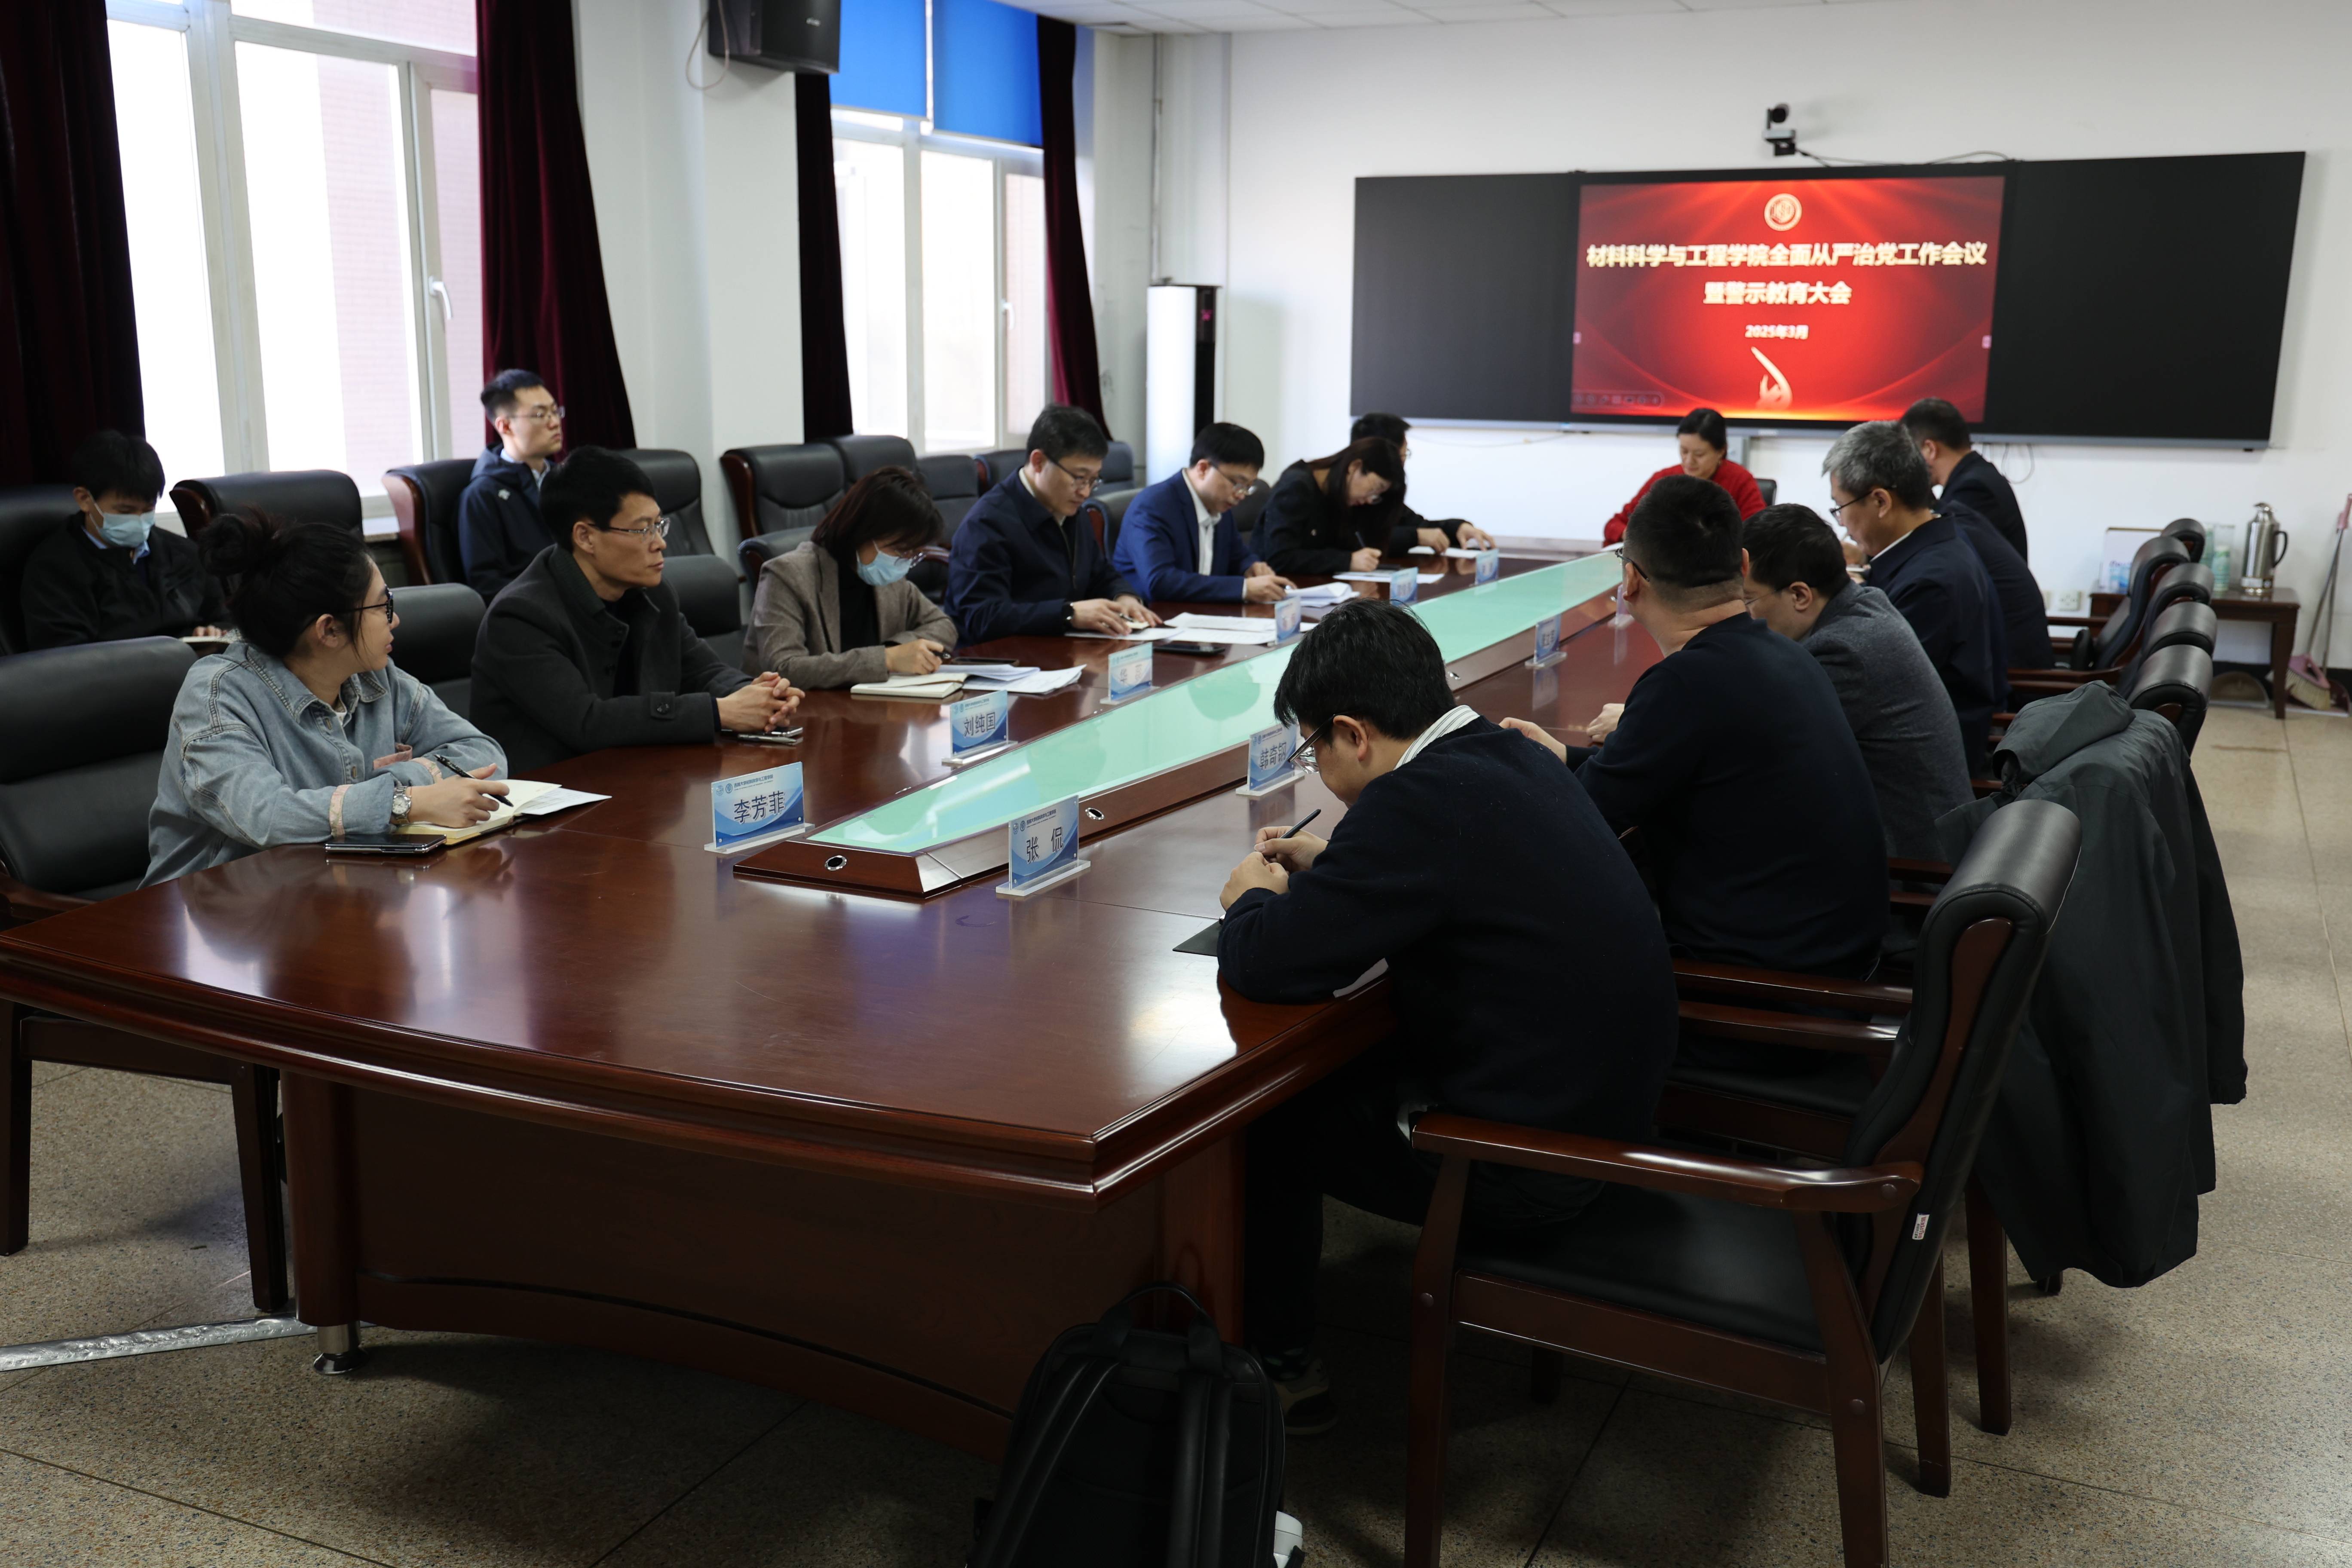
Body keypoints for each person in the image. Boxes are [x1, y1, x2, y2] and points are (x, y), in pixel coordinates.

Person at [1216, 599, 1676, 1434]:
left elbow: (1270, 962)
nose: (1318, 766)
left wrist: (1250, 897)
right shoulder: (1505, 753)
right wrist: (1347, 865)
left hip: (1532, 1164)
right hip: (1610, 1115)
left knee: (1264, 1119)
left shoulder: (1413, 805)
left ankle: (1281, 1375)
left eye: (1315, 748)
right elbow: (1452, 870)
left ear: (1353, 734)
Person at [1505, 476, 1886, 979]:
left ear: (1631, 582)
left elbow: (1576, 826)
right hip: (1834, 957)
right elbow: (1665, 768)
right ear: (1744, 566)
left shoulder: (1685, 683)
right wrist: (1564, 757)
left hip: (1761, 990)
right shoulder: (1787, 655)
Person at [144, 511, 508, 886]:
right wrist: (405, 803)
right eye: (383, 606)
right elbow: (266, 817)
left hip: (332, 891)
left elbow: (484, 753)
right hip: (211, 906)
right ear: (330, 630)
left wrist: (401, 783)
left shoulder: (376, 676)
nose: (395, 620)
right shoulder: (217, 695)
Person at [470, 446, 801, 773]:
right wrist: (719, 712)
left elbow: (704, 671)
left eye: (659, 525)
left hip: (637, 778)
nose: (660, 543)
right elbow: (588, 722)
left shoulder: (653, 594)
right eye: (643, 530)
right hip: (551, 794)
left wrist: (758, 694)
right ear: (585, 537)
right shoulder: (520, 617)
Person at [1741, 505, 1972, 864]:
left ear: (1800, 595)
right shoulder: (1862, 602)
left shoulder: (1842, 652)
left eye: (1748, 600)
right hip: (1920, 838)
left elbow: (1761, 753)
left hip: (1912, 868)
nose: (1743, 615)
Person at [1824, 422, 2008, 778]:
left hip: (1922, 768)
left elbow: (1872, 687)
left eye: (1839, 507)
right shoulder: (1935, 546)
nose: (1842, 524)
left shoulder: (1929, 584)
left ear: (1881, 501)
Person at [944, 404, 1162, 642]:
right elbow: (982, 617)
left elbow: (1099, 573)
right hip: (1004, 656)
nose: (1085, 492)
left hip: (1064, 647)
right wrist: (1068, 614)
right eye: (1079, 478)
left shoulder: (1072, 510)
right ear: (1038, 462)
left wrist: (1124, 597)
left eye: (1093, 480)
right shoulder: (986, 524)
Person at [746, 466, 960, 687]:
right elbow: (784, 668)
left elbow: (943, 626)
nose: (904, 561)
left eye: (912, 553)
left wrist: (895, 650)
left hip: (869, 703)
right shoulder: (787, 575)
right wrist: (886, 659)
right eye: (899, 550)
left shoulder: (888, 579)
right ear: (862, 531)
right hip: (802, 706)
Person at [22, 429, 226, 649]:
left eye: (147, 510)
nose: (138, 521)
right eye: (125, 511)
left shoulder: (184, 553)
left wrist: (211, 632)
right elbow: (65, 657)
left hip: (197, 666)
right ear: (85, 499)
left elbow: (228, 620)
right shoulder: (54, 568)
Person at [1109, 422, 1294, 603]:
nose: (1241, 495)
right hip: (1154, 615)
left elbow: (1238, 555)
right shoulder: (1154, 506)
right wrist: (1244, 589)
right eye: (1238, 484)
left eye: (1248, 487)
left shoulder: (1219, 505)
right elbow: (1160, 581)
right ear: (1203, 469)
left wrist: (1252, 567)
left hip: (1203, 614)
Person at [458, 369, 564, 600]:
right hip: (534, 608)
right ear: (505, 426)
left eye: (555, 411)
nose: (555, 422)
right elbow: (487, 583)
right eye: (540, 415)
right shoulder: (482, 495)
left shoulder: (567, 478)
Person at [1601, 407, 1765, 544]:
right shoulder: (1664, 479)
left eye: (1699, 454)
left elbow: (1758, 535)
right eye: (1684, 451)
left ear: (1721, 451)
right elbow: (1615, 524)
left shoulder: (1740, 481)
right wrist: (1629, 534)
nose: (1689, 461)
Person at [1252, 437, 1405, 579]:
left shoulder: (1340, 494)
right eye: (1374, 489)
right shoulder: (1296, 487)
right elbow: (1280, 558)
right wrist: (1348, 561)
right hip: (1273, 587)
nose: (1370, 499)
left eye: (1378, 495)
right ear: (1355, 467)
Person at [1348, 413, 1498, 553]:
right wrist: (1416, 537)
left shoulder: (1389, 492)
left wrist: (1457, 528)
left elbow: (1419, 526)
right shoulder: (1346, 492)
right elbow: (1363, 539)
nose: (1403, 463)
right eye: (1404, 454)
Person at [1903, 397, 2029, 561]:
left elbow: (1947, 556)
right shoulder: (1978, 475)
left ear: (1930, 449)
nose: (1908, 464)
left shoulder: (1974, 489)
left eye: (1911, 454)